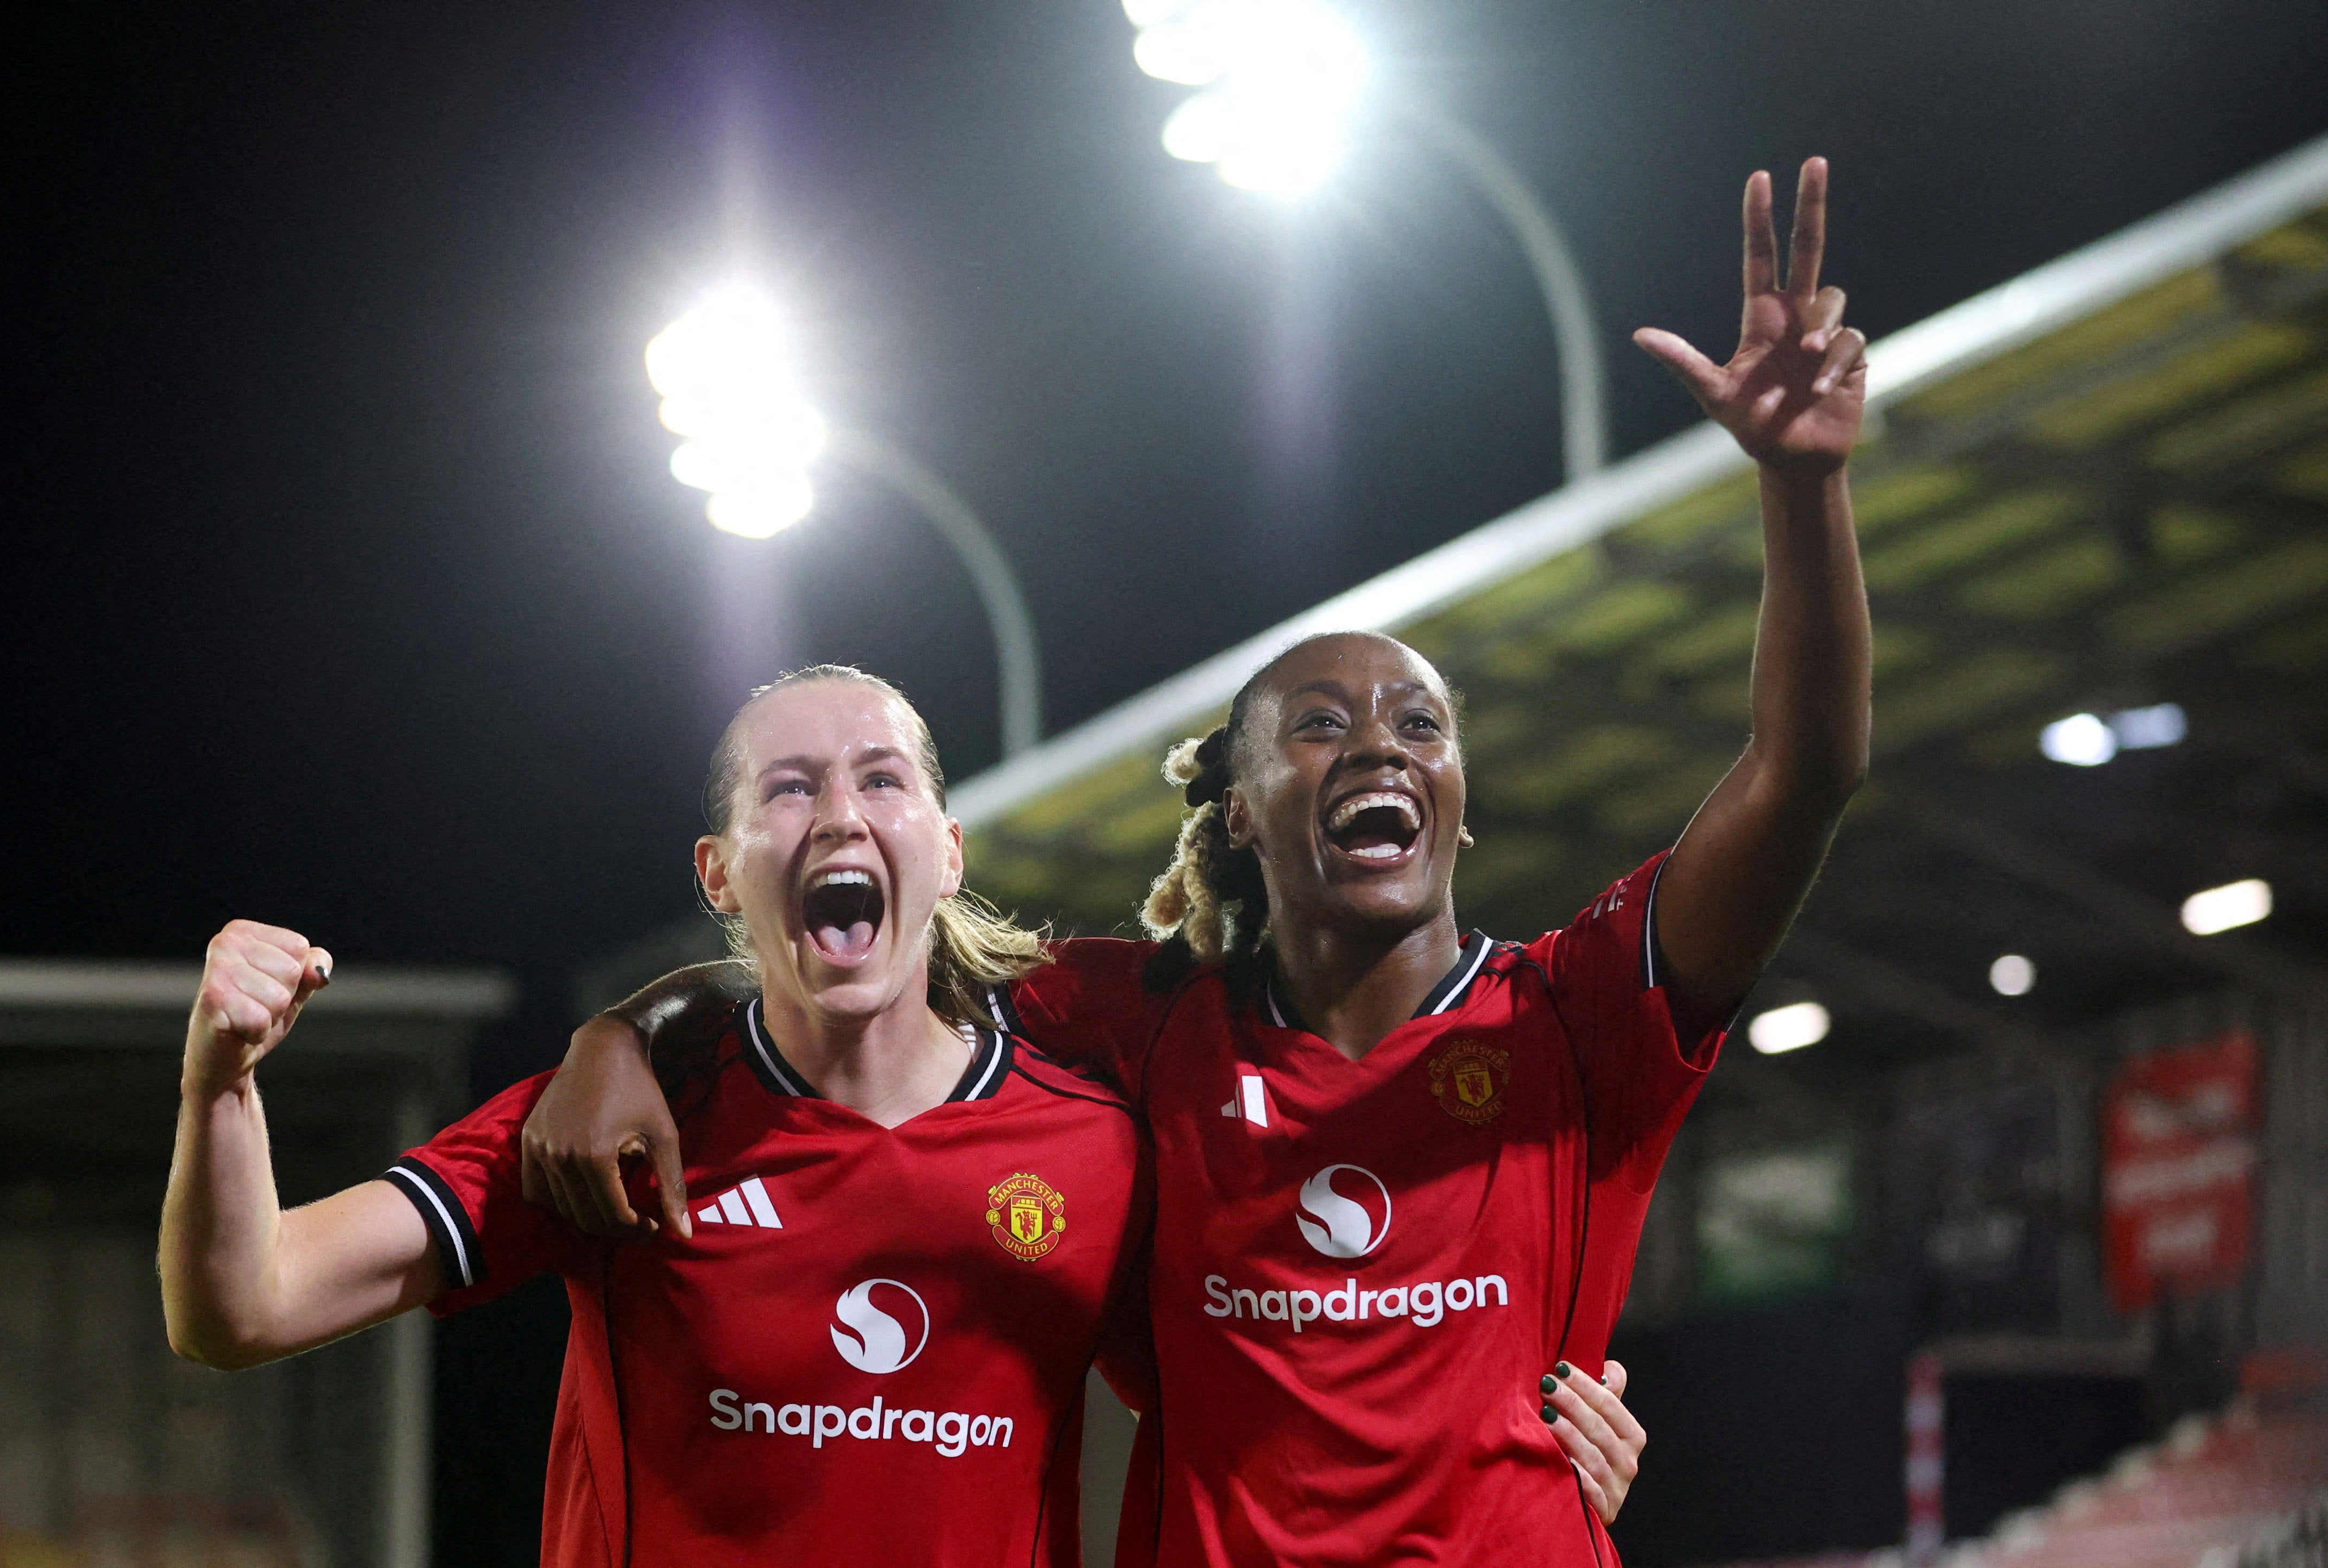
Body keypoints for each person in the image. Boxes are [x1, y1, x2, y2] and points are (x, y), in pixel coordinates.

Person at [527, 157, 1870, 1568]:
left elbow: (1804, 774)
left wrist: (1801, 488)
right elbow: (850, 979)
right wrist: (631, 1031)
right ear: (1235, 811)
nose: (1379, 747)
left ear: (1456, 798)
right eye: (1318, 725)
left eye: (1420, 723)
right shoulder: (1129, 1023)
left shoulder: (1577, 1021)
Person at [159, 667, 1161, 1566]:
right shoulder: (622, 1123)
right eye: (791, 786)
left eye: (882, 779)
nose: (841, 815)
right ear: (718, 870)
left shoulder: (1092, 1144)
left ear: (947, 853)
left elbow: (1226, 1400)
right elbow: (244, 1307)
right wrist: (222, 1085)